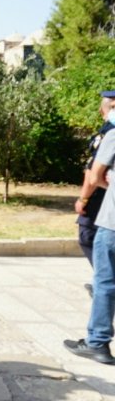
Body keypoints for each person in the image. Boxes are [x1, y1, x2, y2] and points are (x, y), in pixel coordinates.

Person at [64, 124, 115, 365]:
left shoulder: (114, 135)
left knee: (104, 282)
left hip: (112, 223)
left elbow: (95, 176)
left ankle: (97, 342)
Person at [75, 92, 115, 296]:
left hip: (101, 197)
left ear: (102, 110)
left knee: (87, 235)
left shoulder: (109, 132)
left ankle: (104, 282)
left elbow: (93, 173)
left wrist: (83, 199)